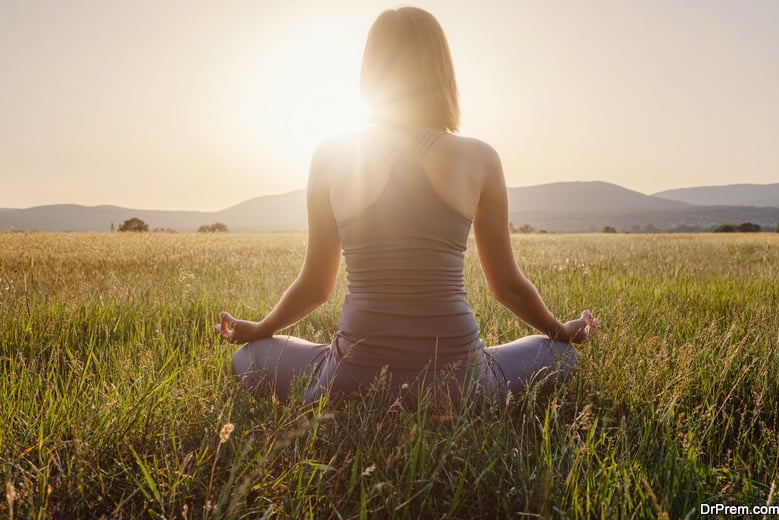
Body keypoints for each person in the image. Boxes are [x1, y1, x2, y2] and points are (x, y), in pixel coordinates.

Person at [216, 6, 597, 406]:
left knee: (248, 357)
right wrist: (560, 331)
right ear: (441, 71)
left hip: (350, 379)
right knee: (562, 356)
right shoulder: (480, 158)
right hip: (460, 383)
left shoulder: (332, 155)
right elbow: (506, 287)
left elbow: (316, 286)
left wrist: (261, 328)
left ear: (372, 72)